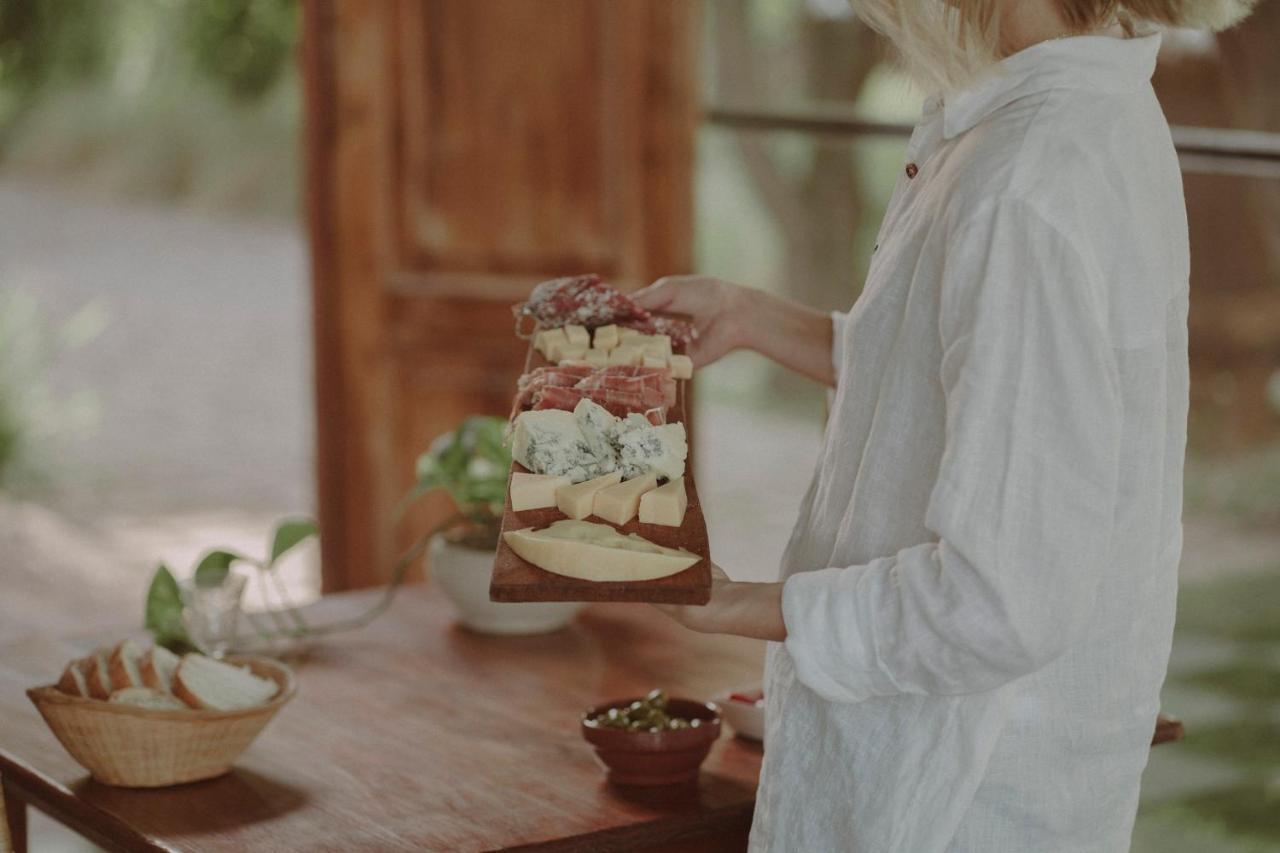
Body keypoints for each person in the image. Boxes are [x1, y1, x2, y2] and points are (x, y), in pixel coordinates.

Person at [638, 0, 1256, 850]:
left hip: (957, 796)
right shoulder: (1080, 107)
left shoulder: (1025, 183)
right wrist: (752, 318)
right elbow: (976, 389)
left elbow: (999, 604)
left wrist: (734, 602)